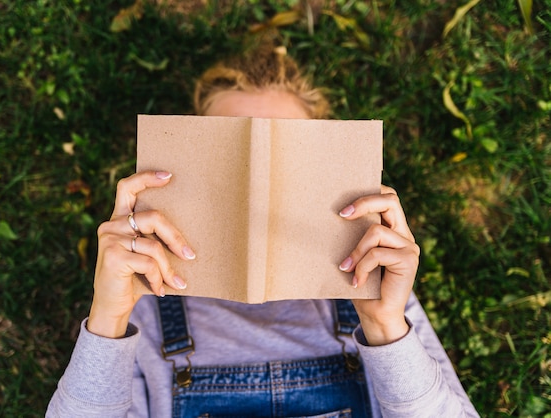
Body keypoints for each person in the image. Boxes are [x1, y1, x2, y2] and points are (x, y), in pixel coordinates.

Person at [47, 43, 479, 417]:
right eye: (226, 156)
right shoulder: (145, 294)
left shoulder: (377, 287)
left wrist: (384, 327)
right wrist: (107, 318)